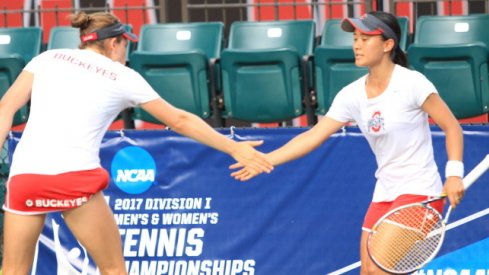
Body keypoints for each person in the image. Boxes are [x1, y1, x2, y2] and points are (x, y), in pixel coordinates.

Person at [0, 12, 273, 275]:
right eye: (125, 44)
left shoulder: (47, 59)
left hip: (26, 176)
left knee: (12, 270)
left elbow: (5, 108)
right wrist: (234, 147)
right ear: (112, 42)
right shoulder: (122, 77)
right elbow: (179, 120)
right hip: (74, 177)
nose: (125, 53)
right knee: (114, 269)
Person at [231, 11, 465, 275]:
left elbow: (451, 127)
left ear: (388, 45)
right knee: (367, 272)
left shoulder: (412, 83)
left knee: (378, 271)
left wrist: (454, 174)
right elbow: (313, 135)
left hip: (420, 192)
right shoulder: (351, 94)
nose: (356, 44)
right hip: (385, 192)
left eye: (365, 39)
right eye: (355, 38)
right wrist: (265, 160)